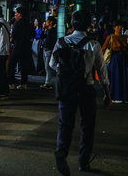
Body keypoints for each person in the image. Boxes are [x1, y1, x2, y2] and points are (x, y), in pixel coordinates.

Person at [50, 9, 111, 175]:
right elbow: (102, 71)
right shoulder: (93, 44)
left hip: (65, 90)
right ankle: (83, 162)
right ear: (88, 25)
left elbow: (51, 64)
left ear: (72, 23)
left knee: (65, 125)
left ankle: (61, 151)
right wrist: (107, 94)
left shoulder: (61, 42)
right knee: (87, 127)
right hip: (86, 90)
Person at [7, 7, 36, 90]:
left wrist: (12, 38)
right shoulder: (28, 24)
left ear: (20, 14)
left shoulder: (17, 23)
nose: (15, 14)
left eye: (16, 13)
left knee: (11, 65)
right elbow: (33, 34)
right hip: (26, 47)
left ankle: (11, 83)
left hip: (18, 47)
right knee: (24, 66)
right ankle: (24, 83)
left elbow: (14, 35)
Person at [101, 20, 128, 104]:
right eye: (117, 26)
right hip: (114, 58)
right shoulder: (110, 37)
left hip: (122, 58)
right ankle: (115, 96)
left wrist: (127, 60)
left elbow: (127, 51)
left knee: (122, 77)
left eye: (120, 26)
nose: (119, 28)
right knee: (115, 77)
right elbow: (103, 49)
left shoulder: (124, 37)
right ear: (114, 27)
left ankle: (122, 97)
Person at [40, 16, 58, 89]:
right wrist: (43, 29)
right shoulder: (47, 30)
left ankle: (48, 82)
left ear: (50, 22)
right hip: (45, 49)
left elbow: (54, 41)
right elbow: (42, 37)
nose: (45, 22)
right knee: (46, 66)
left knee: (48, 66)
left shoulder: (52, 30)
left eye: (47, 21)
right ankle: (47, 82)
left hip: (49, 50)